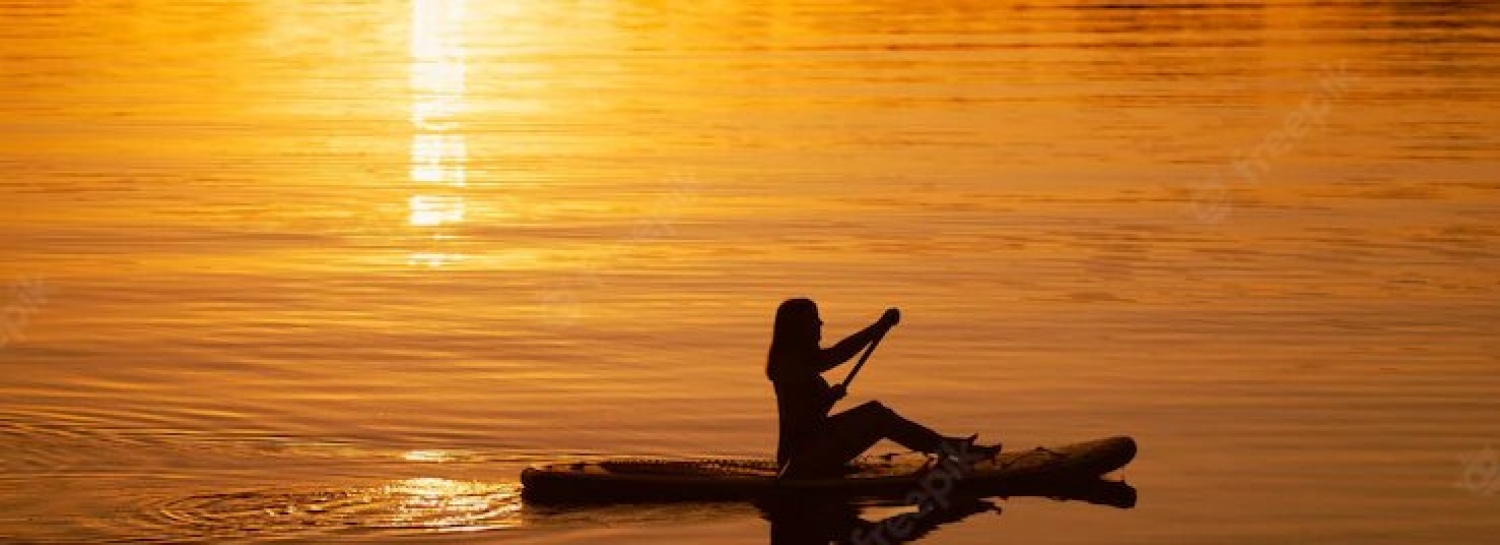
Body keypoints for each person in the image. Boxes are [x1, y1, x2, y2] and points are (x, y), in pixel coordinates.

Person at [767, 298, 1001, 477]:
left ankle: (948, 448)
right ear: (797, 328)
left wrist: (827, 398)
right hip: (799, 461)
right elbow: (837, 356)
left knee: (876, 413)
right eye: (813, 319)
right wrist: (877, 327)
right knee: (877, 416)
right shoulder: (787, 365)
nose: (820, 323)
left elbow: (810, 408)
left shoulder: (799, 362)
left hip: (812, 450)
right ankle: (952, 449)